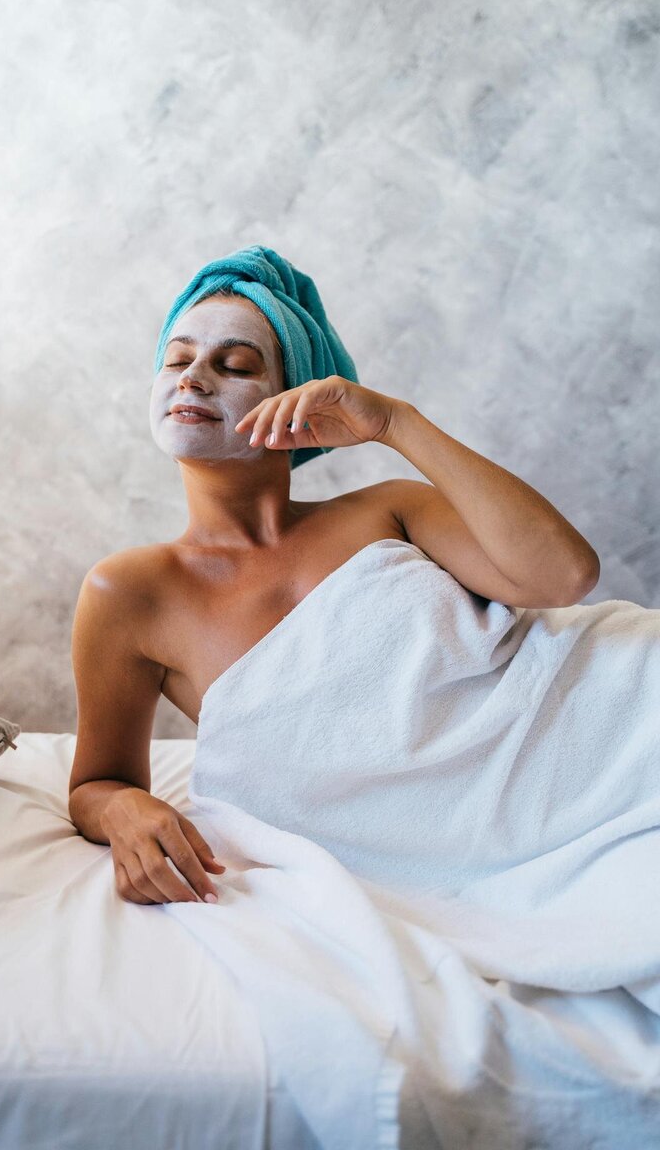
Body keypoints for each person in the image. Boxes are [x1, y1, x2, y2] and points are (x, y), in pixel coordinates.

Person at [67, 246, 600, 910]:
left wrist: (394, 423)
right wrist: (125, 812)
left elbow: (565, 575)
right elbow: (99, 782)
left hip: (596, 726)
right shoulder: (130, 593)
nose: (193, 378)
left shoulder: (392, 510)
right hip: (467, 845)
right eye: (176, 360)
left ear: (295, 398)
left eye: (234, 364)